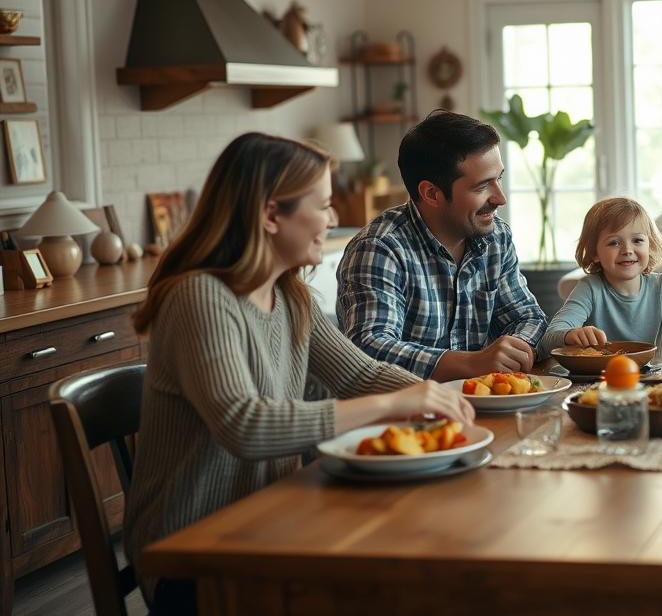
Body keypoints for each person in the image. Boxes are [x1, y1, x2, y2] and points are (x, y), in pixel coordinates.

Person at [126, 133, 475, 615]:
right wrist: (400, 403)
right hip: (197, 558)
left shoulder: (293, 297)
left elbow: (363, 376)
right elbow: (245, 425)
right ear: (271, 215)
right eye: (324, 206)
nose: (334, 220)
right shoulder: (200, 298)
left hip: (274, 526)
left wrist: (444, 398)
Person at [338, 111, 547, 381]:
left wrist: (513, 350)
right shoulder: (379, 248)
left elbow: (529, 317)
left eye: (499, 179)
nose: (500, 198)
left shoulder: (496, 238)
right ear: (432, 194)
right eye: (483, 186)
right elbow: (369, 349)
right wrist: (473, 363)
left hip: (484, 405)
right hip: (408, 416)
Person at [539, 197, 662, 358]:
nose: (627, 250)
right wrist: (570, 335)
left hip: (653, 382)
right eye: (614, 242)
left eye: (637, 240)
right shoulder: (589, 289)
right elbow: (549, 339)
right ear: (595, 253)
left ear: (650, 245)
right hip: (600, 383)